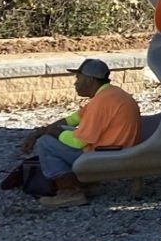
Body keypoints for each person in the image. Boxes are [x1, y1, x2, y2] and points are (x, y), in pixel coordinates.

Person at [8, 59, 142, 209]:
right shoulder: (111, 94)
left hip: (107, 155)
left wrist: (53, 133)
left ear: (90, 80)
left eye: (78, 78)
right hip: (119, 150)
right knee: (54, 135)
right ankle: (87, 184)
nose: (75, 83)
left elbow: (79, 142)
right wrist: (40, 132)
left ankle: (69, 192)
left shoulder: (101, 102)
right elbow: (72, 120)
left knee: (45, 143)